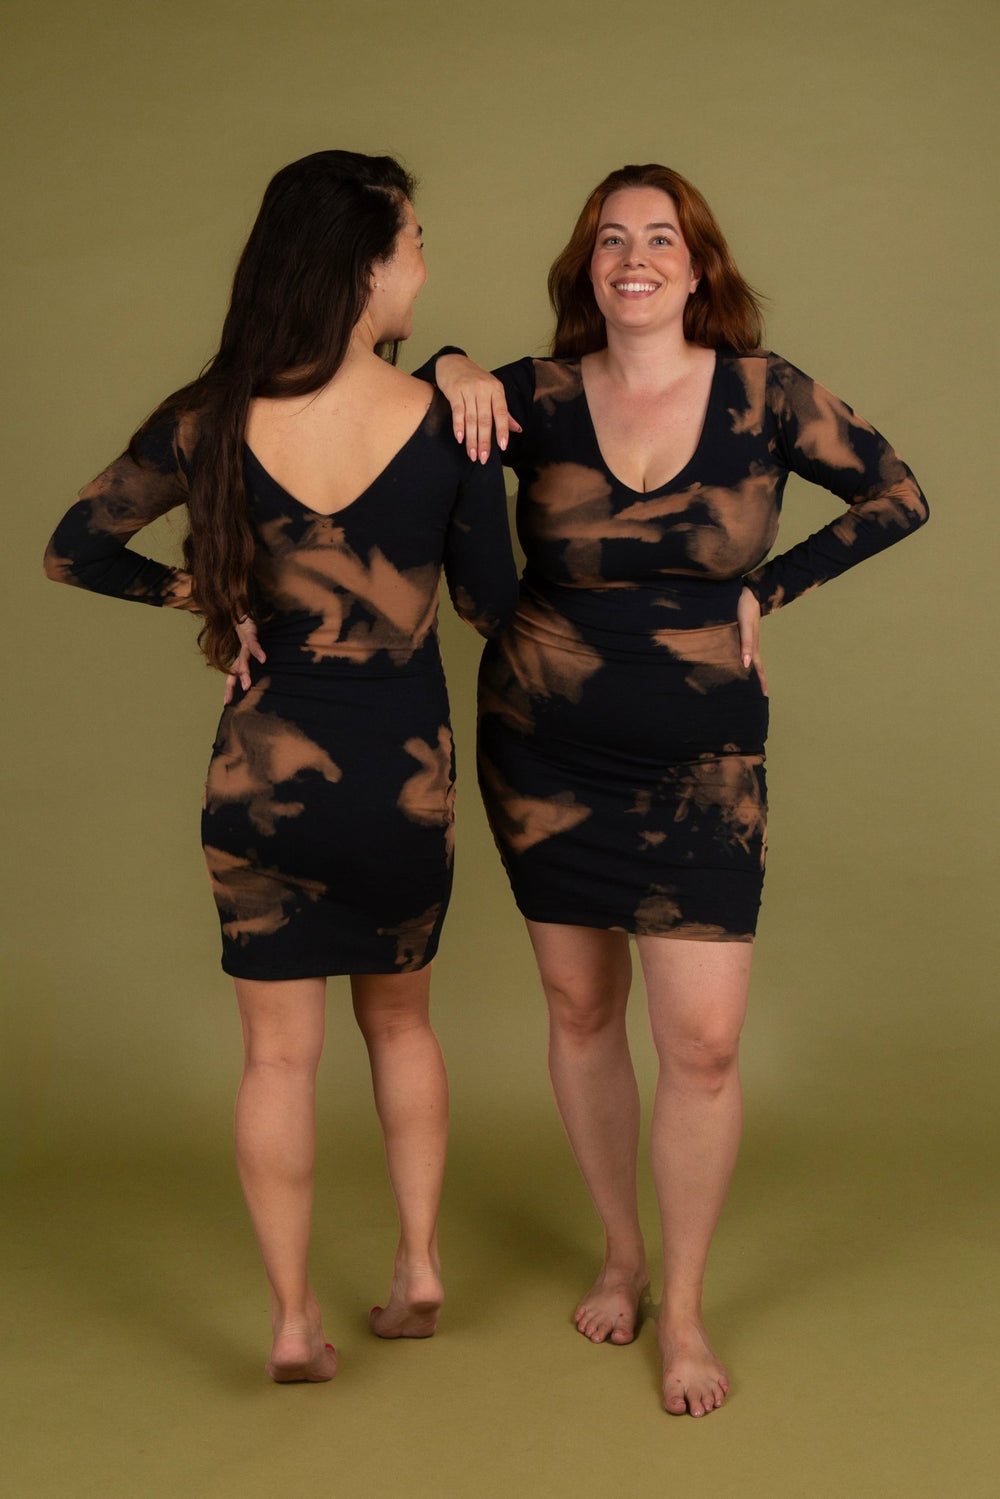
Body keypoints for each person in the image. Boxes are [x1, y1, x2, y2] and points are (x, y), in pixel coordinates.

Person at [416, 162, 929, 1416]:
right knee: (579, 1007)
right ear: (585, 267)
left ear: (698, 267)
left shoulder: (765, 393)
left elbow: (897, 494)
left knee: (700, 1043)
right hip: (541, 748)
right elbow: (420, 426)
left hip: (703, 765)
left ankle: (685, 1307)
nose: (632, 258)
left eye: (658, 238)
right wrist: (451, 359)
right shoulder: (534, 397)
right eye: (610, 239)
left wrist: (768, 586)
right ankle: (621, 1254)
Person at [43, 150, 518, 1383]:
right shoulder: (448, 424)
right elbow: (490, 604)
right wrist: (462, 391)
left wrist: (204, 593)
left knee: (274, 1058)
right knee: (401, 1024)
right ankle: (418, 1265)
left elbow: (73, 548)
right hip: (403, 783)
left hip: (259, 781)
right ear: (365, 267)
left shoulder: (207, 418)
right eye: (414, 245)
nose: (423, 269)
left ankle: (294, 1321)